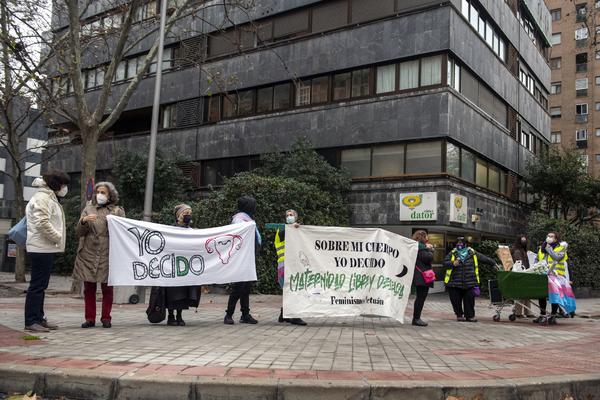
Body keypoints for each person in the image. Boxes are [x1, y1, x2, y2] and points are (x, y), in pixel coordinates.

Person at [73, 182, 125, 329]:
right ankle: (89, 318)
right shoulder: (88, 209)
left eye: (103, 192)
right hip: (88, 252)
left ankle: (106, 318)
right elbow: (79, 233)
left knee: (107, 288)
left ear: (110, 195)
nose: (100, 195)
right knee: (89, 287)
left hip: (108, 252)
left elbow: (124, 232)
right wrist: (83, 221)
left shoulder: (116, 211)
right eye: (98, 192)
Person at [24, 171, 70, 332]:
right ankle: (31, 321)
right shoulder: (43, 198)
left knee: (41, 285)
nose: (65, 188)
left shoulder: (48, 197)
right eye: (63, 185)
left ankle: (38, 317)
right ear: (56, 184)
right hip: (40, 247)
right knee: (37, 285)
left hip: (44, 246)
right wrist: (57, 237)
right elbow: (42, 222)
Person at [224, 196, 261, 325]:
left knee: (246, 287)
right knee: (238, 287)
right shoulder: (239, 220)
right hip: (242, 258)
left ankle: (245, 314)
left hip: (248, 257)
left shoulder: (247, 219)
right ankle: (228, 314)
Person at [164, 204, 201, 326]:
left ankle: (179, 315)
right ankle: (170, 316)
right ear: (178, 215)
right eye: (185, 213)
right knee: (171, 291)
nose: (188, 215)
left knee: (183, 292)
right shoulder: (170, 230)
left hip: (185, 267)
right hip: (172, 266)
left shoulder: (192, 231)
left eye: (190, 213)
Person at [443, 237, 495, 322]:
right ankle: (459, 315)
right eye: (458, 243)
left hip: (470, 282)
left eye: (461, 243)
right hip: (454, 282)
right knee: (456, 300)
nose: (459, 244)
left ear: (466, 244)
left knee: (469, 300)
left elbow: (484, 258)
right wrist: (453, 263)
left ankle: (470, 316)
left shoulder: (472, 253)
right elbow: (445, 263)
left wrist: (493, 263)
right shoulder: (452, 253)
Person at [535, 232, 576, 324]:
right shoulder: (542, 247)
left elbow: (556, 257)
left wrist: (548, 249)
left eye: (551, 236)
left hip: (557, 276)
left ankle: (553, 315)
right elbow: (537, 259)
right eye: (548, 236)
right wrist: (536, 265)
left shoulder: (561, 247)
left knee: (555, 296)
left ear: (556, 239)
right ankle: (542, 314)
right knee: (541, 294)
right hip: (543, 275)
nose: (549, 237)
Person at [274, 209, 306, 326]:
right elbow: (284, 234)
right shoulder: (283, 229)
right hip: (284, 265)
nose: (289, 217)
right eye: (287, 215)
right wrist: (293, 227)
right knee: (292, 289)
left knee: (288, 289)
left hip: (291, 265)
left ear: (296, 217)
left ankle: (283, 315)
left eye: (291, 215)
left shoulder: (296, 229)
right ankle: (294, 316)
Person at [411, 230, 434, 327]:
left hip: (418, 276)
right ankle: (416, 319)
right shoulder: (421, 248)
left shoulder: (414, 247)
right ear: (423, 237)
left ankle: (416, 318)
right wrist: (430, 249)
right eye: (426, 237)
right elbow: (428, 258)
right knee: (420, 298)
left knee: (420, 298)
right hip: (422, 277)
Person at [510, 234, 535, 318]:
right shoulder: (517, 251)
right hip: (521, 274)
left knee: (527, 293)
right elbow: (519, 263)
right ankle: (518, 312)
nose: (524, 242)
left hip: (525, 273)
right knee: (521, 294)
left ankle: (528, 312)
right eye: (522, 240)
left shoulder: (523, 250)